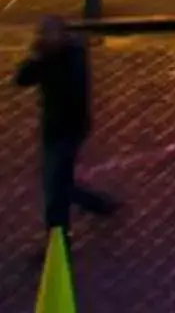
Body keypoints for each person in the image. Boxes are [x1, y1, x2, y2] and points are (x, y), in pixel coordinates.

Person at [14, 18, 116, 252]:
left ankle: (57, 240)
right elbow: (22, 79)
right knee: (58, 182)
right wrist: (36, 59)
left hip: (69, 128)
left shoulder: (72, 57)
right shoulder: (49, 57)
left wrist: (43, 60)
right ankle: (97, 204)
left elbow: (71, 92)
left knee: (55, 185)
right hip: (54, 127)